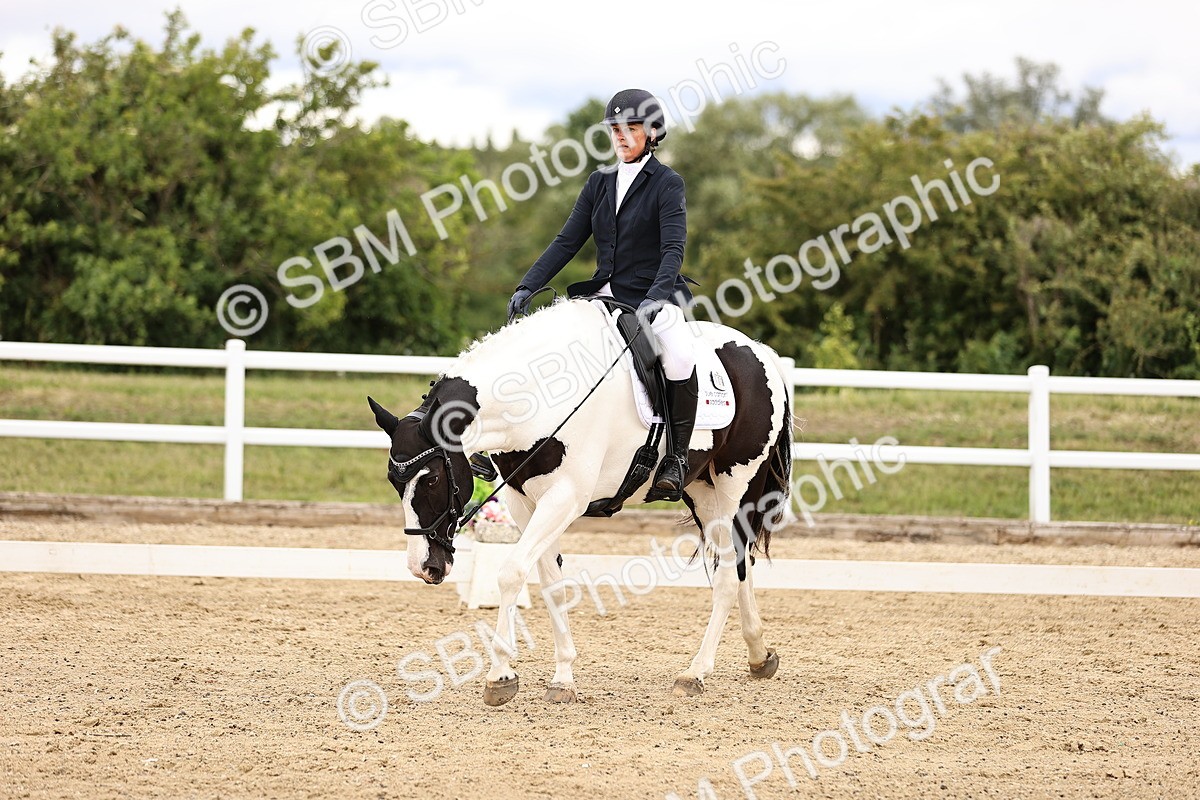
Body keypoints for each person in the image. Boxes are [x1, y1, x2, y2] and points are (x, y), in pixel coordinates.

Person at [506, 88, 698, 501]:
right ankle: (512, 443)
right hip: (603, 293)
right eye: (615, 129)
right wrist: (528, 284)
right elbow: (566, 241)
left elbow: (673, 249)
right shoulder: (599, 182)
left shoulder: (667, 183)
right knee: (549, 342)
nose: (621, 136)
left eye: (631, 128)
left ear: (652, 132)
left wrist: (657, 296)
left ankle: (677, 458)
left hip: (652, 296)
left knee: (681, 355)